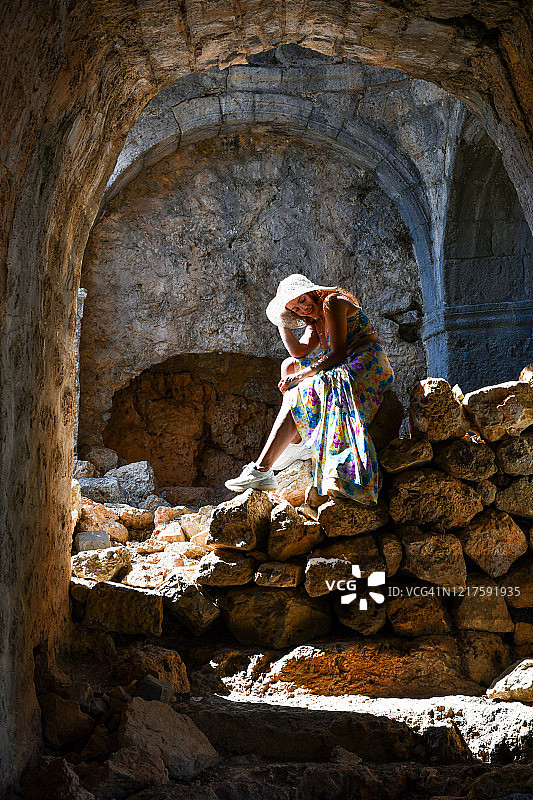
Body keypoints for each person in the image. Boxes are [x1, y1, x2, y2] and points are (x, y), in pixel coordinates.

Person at [224, 274, 394, 504]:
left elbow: (337, 353)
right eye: (295, 308)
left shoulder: (331, 302)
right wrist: (282, 322)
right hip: (344, 362)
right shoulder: (315, 320)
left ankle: (262, 468)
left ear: (312, 292)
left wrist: (303, 376)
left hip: (366, 361)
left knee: (299, 389)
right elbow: (299, 352)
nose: (303, 308)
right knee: (289, 364)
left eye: (302, 300)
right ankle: (298, 441)